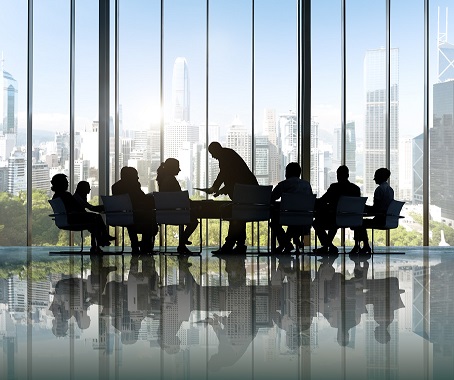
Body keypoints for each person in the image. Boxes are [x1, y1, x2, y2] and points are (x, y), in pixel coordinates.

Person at [206, 141, 259, 254]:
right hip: (249, 191)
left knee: (235, 214)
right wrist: (218, 188)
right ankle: (239, 244)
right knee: (239, 215)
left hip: (244, 192)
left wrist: (216, 188)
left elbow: (226, 176)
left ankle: (230, 244)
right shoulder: (228, 155)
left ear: (217, 150)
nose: (212, 156)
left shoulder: (225, 158)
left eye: (212, 153)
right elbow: (232, 178)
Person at [51, 174, 110, 253]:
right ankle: (101, 240)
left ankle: (101, 241)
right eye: (66, 181)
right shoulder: (66, 195)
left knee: (95, 220)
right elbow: (76, 207)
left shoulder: (56, 196)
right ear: (62, 183)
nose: (68, 183)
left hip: (67, 219)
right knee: (96, 219)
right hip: (73, 219)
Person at [312, 165, 361, 254]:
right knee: (333, 222)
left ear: (338, 175)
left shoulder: (334, 187)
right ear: (348, 175)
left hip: (335, 218)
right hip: (352, 219)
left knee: (316, 223)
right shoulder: (355, 189)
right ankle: (328, 245)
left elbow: (323, 200)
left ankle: (328, 245)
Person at [156, 158, 199, 254]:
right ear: (172, 168)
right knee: (194, 221)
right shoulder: (171, 180)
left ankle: (182, 242)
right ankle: (182, 242)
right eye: (177, 167)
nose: (179, 170)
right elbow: (180, 198)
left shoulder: (162, 180)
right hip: (176, 214)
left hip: (164, 215)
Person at [111, 166, 157, 253]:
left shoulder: (115, 187)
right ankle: (145, 245)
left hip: (121, 216)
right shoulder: (134, 186)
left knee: (131, 219)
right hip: (137, 216)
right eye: (136, 175)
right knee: (149, 219)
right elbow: (141, 199)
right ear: (131, 176)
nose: (138, 177)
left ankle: (136, 244)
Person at [269, 162, 313, 253]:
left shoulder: (283, 185)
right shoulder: (307, 185)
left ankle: (285, 244)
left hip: (288, 218)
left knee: (274, 222)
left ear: (287, 173)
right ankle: (289, 242)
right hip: (305, 220)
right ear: (299, 173)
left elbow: (271, 198)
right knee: (294, 221)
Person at [351, 167, 394, 254]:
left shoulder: (379, 190)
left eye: (376, 176)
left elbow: (376, 208)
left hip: (380, 219)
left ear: (380, 177)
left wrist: (364, 207)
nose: (374, 179)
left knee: (358, 223)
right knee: (359, 223)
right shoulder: (390, 190)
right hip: (387, 218)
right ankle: (362, 246)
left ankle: (361, 246)